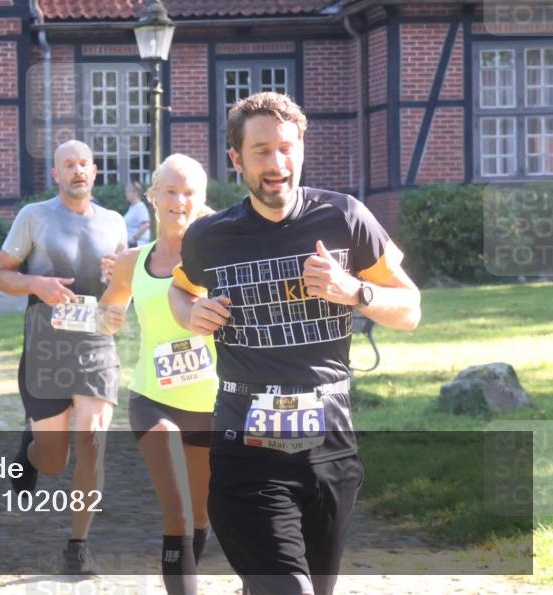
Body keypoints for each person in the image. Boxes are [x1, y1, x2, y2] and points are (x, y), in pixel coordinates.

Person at [168, 92, 421, 595]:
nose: (277, 163)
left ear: (302, 147)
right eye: (261, 151)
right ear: (236, 158)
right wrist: (191, 313)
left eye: (286, 148)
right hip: (246, 443)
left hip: (330, 443)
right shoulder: (208, 237)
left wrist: (356, 292)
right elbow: (179, 290)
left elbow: (411, 308)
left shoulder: (345, 218)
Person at [0, 139, 127, 575]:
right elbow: (0, 276)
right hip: (46, 347)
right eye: (68, 165)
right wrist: (36, 285)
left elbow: (120, 291)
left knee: (91, 442)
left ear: (94, 170)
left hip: (95, 346)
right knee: (53, 461)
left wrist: (117, 292)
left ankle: (78, 544)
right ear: (56, 174)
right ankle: (30, 450)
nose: (78, 171)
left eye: (84, 163)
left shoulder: (115, 222)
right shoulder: (34, 217)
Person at [99, 154, 218, 595]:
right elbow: (107, 314)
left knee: (202, 515)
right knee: (179, 513)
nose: (179, 201)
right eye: (170, 191)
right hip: (154, 400)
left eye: (189, 193)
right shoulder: (134, 261)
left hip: (211, 404)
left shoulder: (220, 256)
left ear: (202, 200)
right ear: (153, 196)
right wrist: (107, 313)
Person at [124, 181, 151, 247]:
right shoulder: (132, 207)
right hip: (133, 245)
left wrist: (134, 238)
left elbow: (146, 224)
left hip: (139, 245)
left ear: (135, 193)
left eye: (127, 192)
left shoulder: (140, 207)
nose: (126, 194)